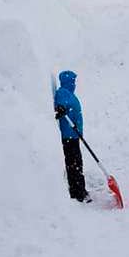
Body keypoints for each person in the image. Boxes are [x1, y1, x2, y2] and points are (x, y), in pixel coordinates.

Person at [54, 70, 91, 203]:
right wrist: (61, 109)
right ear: (67, 82)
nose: (74, 84)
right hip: (69, 136)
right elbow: (60, 106)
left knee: (77, 163)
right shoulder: (62, 93)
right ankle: (77, 193)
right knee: (74, 164)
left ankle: (80, 190)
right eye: (73, 81)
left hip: (73, 135)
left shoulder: (69, 94)